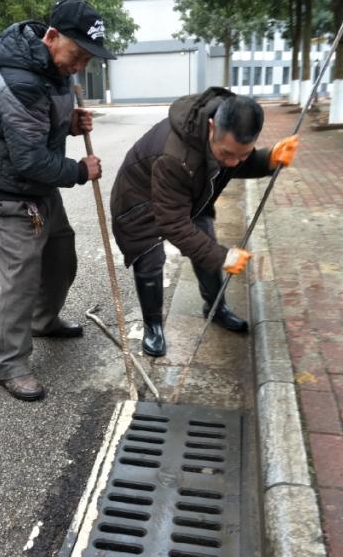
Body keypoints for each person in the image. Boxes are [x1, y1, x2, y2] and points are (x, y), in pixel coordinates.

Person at [0, 0, 118, 402]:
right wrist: (80, 170)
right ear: (52, 37)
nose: (80, 66)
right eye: (78, 54)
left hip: (37, 188)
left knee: (60, 257)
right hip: (7, 195)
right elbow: (30, 158)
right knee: (21, 279)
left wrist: (69, 124)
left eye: (88, 59)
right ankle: (9, 364)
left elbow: (40, 123)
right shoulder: (20, 81)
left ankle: (42, 319)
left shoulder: (52, 69)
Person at [109, 88, 298, 356]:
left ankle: (216, 308)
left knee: (205, 242)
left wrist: (268, 159)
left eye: (242, 154)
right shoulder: (174, 156)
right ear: (211, 127)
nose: (232, 162)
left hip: (188, 193)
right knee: (150, 258)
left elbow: (238, 160)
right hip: (139, 201)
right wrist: (223, 257)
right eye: (226, 154)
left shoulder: (225, 136)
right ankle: (153, 326)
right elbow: (173, 223)